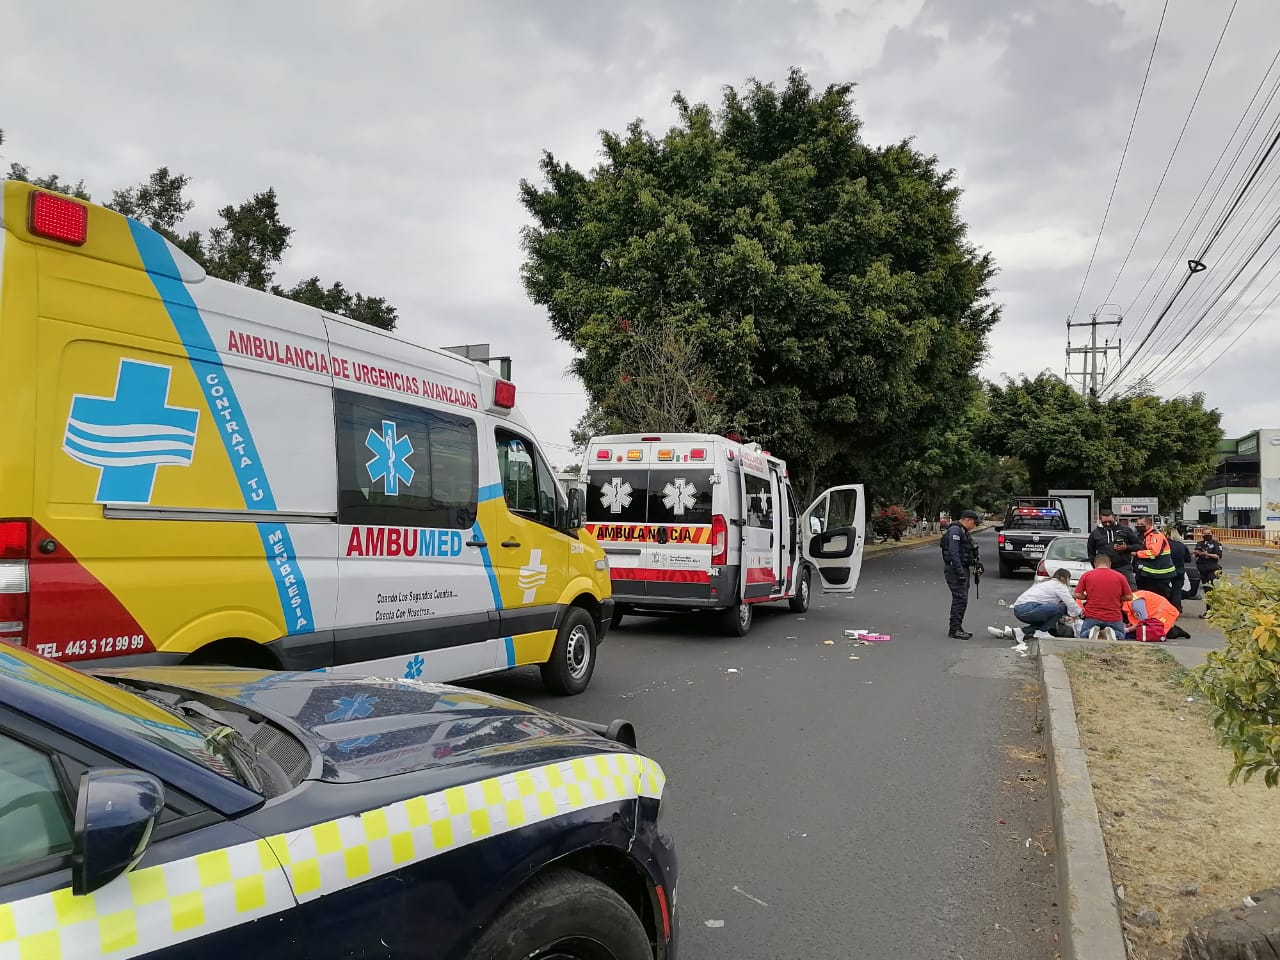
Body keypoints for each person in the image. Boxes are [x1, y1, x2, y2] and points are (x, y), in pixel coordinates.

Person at [987, 568, 1081, 651]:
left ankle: (1020, 632)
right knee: (1062, 607)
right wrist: (1079, 614)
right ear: (1062, 578)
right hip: (1028, 609)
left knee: (1046, 620)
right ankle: (1042, 632)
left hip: (1020, 610)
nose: (1069, 581)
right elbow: (1070, 604)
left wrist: (1065, 617)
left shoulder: (1046, 584)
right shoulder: (1059, 585)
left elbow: (1050, 611)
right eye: (1069, 578)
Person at [941, 509, 982, 640]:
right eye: (974, 523)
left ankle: (958, 627)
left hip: (962, 568)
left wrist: (976, 564)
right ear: (968, 520)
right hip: (955, 569)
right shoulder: (955, 531)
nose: (974, 526)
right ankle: (954, 629)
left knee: (962, 599)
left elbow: (968, 550)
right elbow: (954, 554)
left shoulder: (963, 531)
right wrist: (959, 572)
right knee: (960, 599)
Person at [1073, 553, 1134, 641]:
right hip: (1114, 617)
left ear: (1094, 563)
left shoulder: (1087, 575)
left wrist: (1088, 597)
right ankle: (1111, 633)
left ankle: (1092, 632)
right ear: (1110, 563)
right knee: (1121, 635)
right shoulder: (1120, 576)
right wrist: (1117, 598)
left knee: (1083, 634)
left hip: (1092, 616)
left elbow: (1077, 595)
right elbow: (1129, 597)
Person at [1087, 507, 1140, 588]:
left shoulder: (1126, 530)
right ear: (1100, 520)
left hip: (1124, 567)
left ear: (1114, 518)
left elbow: (1139, 546)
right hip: (1104, 569)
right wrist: (1096, 566)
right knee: (1105, 591)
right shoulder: (1095, 533)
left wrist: (1126, 547)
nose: (1108, 524)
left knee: (1131, 591)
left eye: (1110, 521)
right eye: (1105, 522)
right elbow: (1091, 553)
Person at [1132, 516, 1177, 602]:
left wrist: (1137, 554)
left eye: (1141, 524)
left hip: (1160, 573)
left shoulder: (1155, 536)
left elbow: (1154, 553)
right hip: (1149, 573)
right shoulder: (1143, 536)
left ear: (1149, 525)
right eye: (1137, 524)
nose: (1139, 526)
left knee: (1160, 597)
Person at [1192, 528, 1224, 614]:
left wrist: (1207, 554)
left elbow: (1218, 556)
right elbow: (1195, 555)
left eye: (1208, 533)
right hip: (1202, 570)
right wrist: (1196, 553)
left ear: (1212, 534)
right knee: (1206, 591)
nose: (1207, 535)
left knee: (1211, 591)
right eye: (1205, 533)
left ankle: (1211, 611)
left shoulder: (1216, 544)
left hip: (1212, 570)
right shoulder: (1200, 544)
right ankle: (1209, 610)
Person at [1163, 525, 1191, 614]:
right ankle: (1176, 609)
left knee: (1165, 590)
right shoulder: (1181, 546)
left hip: (1166, 571)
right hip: (1179, 571)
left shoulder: (1163, 545)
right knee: (1177, 591)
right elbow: (1188, 559)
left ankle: (1167, 609)